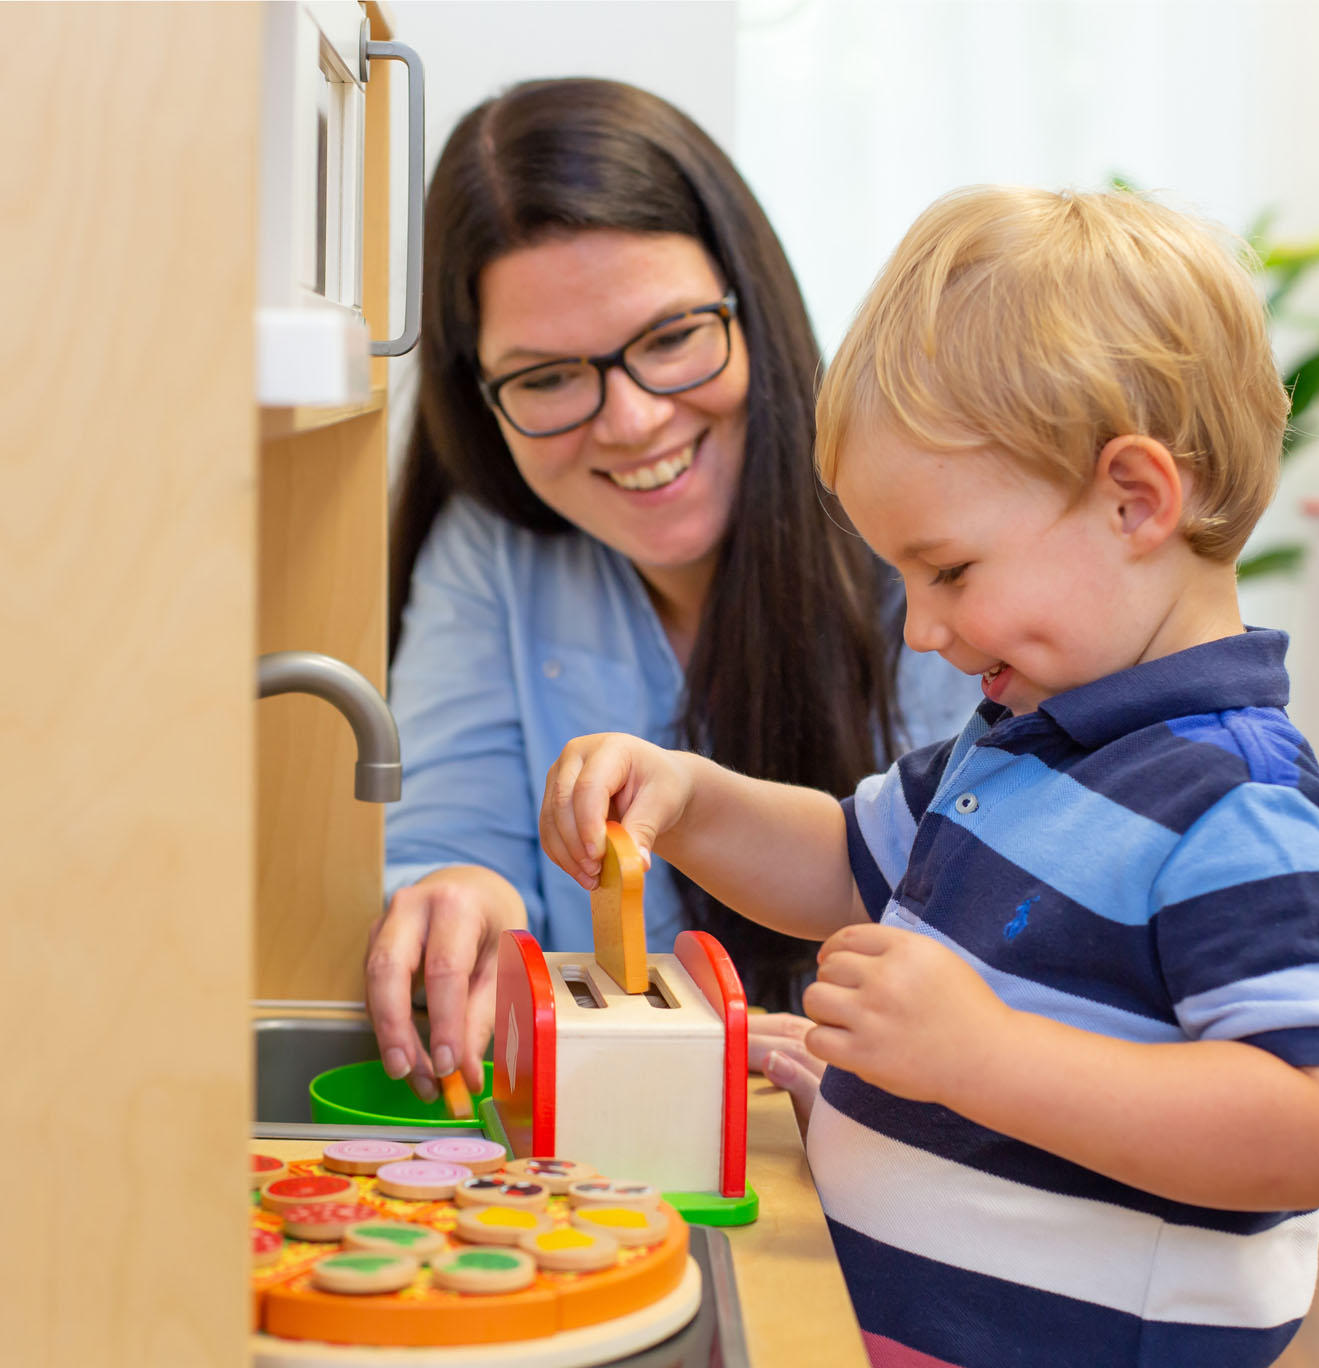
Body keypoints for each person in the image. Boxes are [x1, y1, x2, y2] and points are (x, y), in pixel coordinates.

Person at [539, 186, 1319, 1368]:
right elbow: (837, 862)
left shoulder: (1239, 806)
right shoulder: (1023, 743)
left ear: (1134, 500)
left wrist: (982, 1058)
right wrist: (687, 798)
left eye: (946, 572)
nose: (921, 630)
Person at [369, 79, 981, 1106]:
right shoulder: (490, 551)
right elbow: (446, 844)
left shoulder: (921, 533)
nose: (631, 421)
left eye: (668, 339)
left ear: (750, 305)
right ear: (479, 397)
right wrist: (455, 897)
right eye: (546, 378)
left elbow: (1002, 911)